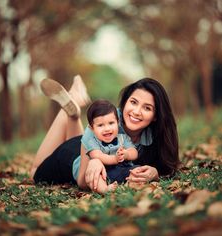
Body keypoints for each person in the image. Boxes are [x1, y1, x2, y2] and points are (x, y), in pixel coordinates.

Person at [31, 76, 179, 192]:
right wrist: (95, 160)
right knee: (34, 172)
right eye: (133, 102)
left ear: (156, 116)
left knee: (85, 143)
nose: (136, 111)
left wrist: (155, 172)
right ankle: (73, 108)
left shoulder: (155, 136)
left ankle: (74, 111)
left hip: (86, 145)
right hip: (71, 156)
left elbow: (167, 167)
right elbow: (83, 182)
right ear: (125, 102)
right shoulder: (107, 121)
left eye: (147, 108)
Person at [72, 99, 138, 193]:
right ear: (92, 128)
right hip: (100, 170)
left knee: (136, 169)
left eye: (111, 123)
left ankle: (130, 183)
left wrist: (127, 154)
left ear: (118, 122)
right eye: (100, 125)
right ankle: (105, 189)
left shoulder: (122, 137)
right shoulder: (92, 141)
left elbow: (134, 152)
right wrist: (115, 159)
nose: (107, 129)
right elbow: (98, 156)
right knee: (96, 176)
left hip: (120, 168)